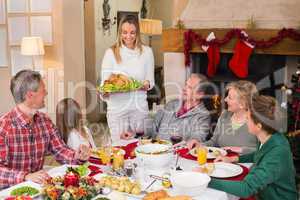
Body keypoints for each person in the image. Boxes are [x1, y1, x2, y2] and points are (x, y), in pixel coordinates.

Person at [0, 70, 90, 189]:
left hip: (38, 188)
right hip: (10, 192)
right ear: (30, 95)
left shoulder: (44, 121)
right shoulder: (4, 127)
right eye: (43, 90)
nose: (46, 93)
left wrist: (77, 156)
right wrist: (25, 176)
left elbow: (60, 150)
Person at [209, 94, 298, 200]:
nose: (245, 121)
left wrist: (206, 180)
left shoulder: (277, 152)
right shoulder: (270, 137)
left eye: (248, 118)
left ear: (259, 126)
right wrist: (233, 158)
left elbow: (246, 188)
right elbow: (260, 154)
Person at [100, 14, 154, 142]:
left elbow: (150, 81)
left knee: (140, 146)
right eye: (124, 32)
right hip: (117, 110)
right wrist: (106, 90)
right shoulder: (111, 53)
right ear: (119, 33)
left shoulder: (147, 52)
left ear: (138, 33)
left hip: (139, 108)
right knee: (120, 149)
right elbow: (105, 84)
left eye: (132, 32)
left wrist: (145, 84)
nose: (128, 36)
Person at [187, 80, 258, 154]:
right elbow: (214, 142)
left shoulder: (258, 121)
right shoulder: (225, 115)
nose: (225, 99)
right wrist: (200, 145)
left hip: (245, 164)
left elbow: (265, 152)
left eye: (230, 98)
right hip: (221, 163)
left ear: (242, 104)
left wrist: (240, 149)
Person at [148, 73, 211, 142]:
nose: (184, 89)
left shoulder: (203, 116)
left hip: (176, 151)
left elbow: (197, 138)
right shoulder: (171, 104)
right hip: (155, 148)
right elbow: (154, 125)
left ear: (200, 95)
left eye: (190, 87)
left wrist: (194, 140)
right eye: (186, 85)